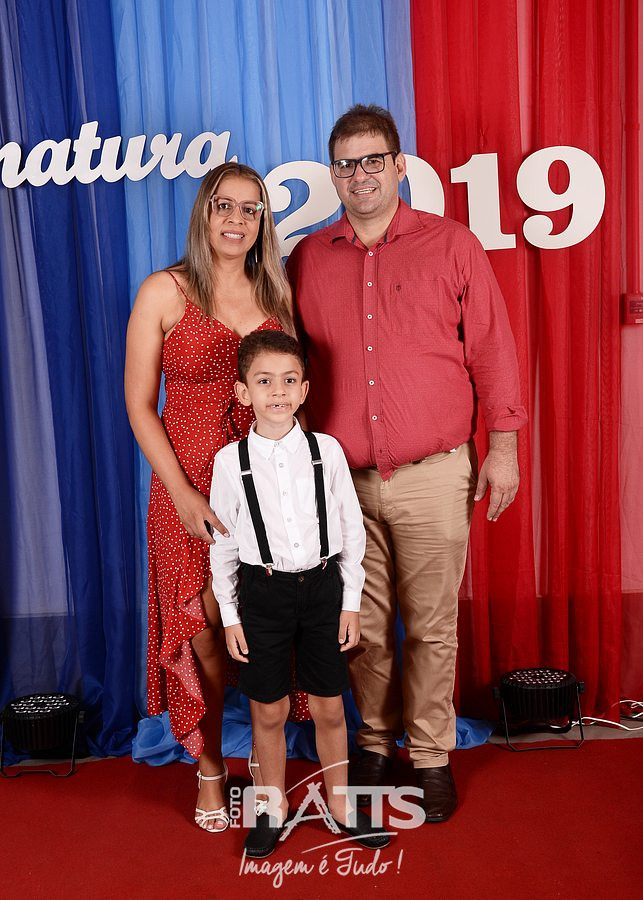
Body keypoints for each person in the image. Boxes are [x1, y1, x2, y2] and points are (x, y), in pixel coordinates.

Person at [286, 104, 527, 823]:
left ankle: (429, 755)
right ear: (333, 174)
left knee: (430, 628)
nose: (359, 175)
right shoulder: (307, 257)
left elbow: (492, 348)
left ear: (397, 166)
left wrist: (503, 450)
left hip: (435, 473)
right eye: (345, 164)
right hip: (341, 482)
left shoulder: (452, 245)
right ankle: (373, 742)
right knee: (360, 624)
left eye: (372, 161)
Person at [124, 162, 296, 833]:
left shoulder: (276, 294)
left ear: (262, 222)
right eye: (224, 205)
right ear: (204, 212)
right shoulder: (164, 291)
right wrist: (183, 494)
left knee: (259, 625)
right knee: (201, 632)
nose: (236, 219)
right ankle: (210, 767)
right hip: (187, 487)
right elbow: (140, 406)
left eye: (250, 209)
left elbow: (292, 394)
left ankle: (265, 762)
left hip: (261, 484)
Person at [210, 330, 390, 858]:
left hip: (322, 590)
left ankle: (341, 805)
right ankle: (272, 807)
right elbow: (223, 543)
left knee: (330, 707)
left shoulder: (325, 451)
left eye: (289, 381)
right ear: (243, 392)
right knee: (269, 710)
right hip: (262, 594)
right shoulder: (230, 462)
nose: (278, 392)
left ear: (305, 389)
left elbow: (351, 529)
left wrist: (350, 602)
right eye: (264, 382)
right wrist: (230, 614)